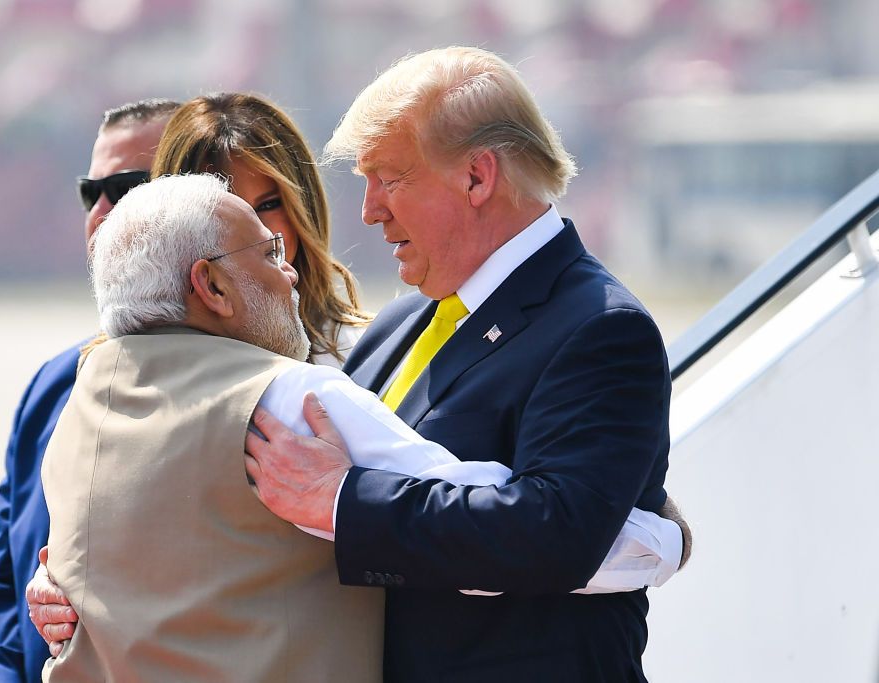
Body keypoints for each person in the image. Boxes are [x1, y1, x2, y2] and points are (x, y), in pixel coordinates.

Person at [39, 173, 682, 682]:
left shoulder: (81, 409)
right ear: (211, 286)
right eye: (268, 251)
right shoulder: (290, 401)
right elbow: (522, 531)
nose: (289, 269)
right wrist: (660, 534)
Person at [242, 46, 685, 681]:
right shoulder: (397, 325)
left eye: (389, 179)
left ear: (478, 177)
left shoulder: (602, 329)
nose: (369, 210)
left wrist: (343, 499)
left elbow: (554, 534)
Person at [0, 98, 180, 683]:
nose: (101, 213)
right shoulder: (55, 382)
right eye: (90, 192)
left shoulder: (263, 386)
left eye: (127, 187)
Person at [150, 92, 373, 367]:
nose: (256, 232)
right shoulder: (123, 371)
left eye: (268, 205)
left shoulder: (366, 359)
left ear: (305, 208)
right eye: (224, 212)